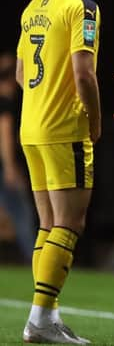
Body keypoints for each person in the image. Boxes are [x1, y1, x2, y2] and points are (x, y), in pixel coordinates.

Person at [16, 0, 100, 344]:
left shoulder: (33, 6)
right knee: (69, 224)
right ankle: (39, 320)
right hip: (64, 126)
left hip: (30, 125)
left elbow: (19, 73)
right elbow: (84, 74)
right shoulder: (82, 7)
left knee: (48, 226)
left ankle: (47, 316)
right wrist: (96, 121)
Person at [0, 51, 35, 263]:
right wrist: (10, 166)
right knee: (22, 215)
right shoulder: (4, 101)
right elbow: (4, 134)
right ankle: (36, 261)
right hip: (3, 167)